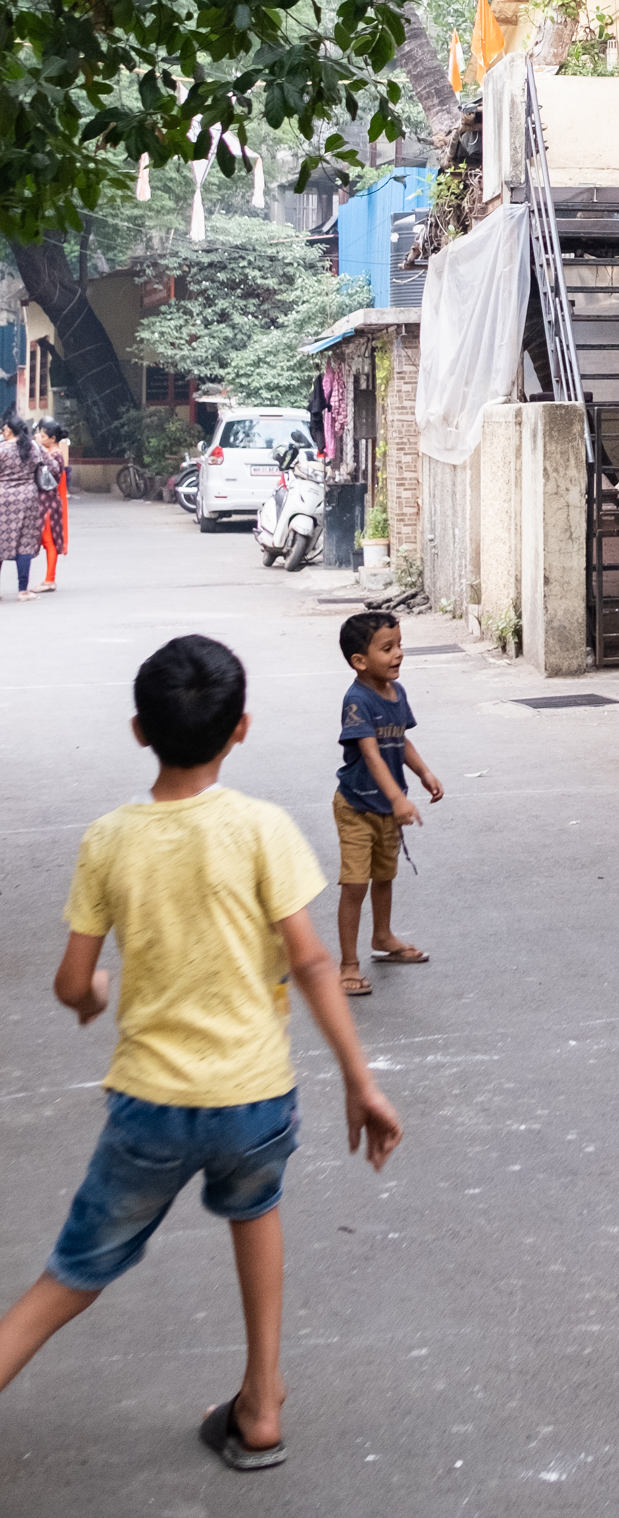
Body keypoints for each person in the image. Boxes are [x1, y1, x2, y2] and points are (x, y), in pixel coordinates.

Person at [0, 633, 401, 1471]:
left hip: (150, 1106)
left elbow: (72, 982)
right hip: (254, 1102)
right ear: (241, 727)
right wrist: (360, 1082)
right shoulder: (262, 828)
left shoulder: (109, 839)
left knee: (75, 1270)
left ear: (139, 731)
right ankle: (262, 1403)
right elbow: (312, 962)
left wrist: (94, 995)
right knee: (255, 1211)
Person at [334, 610, 442, 997]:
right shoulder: (357, 700)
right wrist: (398, 798)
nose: (398, 654)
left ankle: (382, 936)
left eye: (399, 645)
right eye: (387, 648)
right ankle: (348, 964)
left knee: (384, 876)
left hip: (386, 808)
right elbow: (371, 752)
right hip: (356, 806)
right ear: (359, 661)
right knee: (355, 884)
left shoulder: (397, 693)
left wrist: (423, 772)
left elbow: (399, 739)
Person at [0, 410, 57, 596]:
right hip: (28, 499)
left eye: (4, 428)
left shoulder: (2, 449)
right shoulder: (34, 447)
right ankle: (23, 591)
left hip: (3, 499)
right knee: (25, 543)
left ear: (10, 430)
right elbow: (54, 467)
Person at [36, 418, 69, 591]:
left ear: (53, 438)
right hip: (47, 501)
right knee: (47, 540)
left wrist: (40, 451)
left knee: (49, 541)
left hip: (49, 502)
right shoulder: (52, 453)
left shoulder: (55, 455)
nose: (40, 439)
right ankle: (49, 578)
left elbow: (49, 476)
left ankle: (50, 579)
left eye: (43, 436)